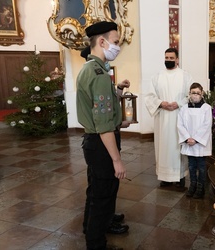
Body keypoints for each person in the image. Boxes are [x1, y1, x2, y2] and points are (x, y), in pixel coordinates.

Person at [76, 21, 130, 250]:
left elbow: (101, 109)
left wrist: (117, 94)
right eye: (115, 42)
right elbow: (103, 124)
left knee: (96, 188)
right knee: (104, 192)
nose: (117, 46)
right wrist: (117, 160)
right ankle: (96, 242)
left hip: (95, 140)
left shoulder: (92, 68)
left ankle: (92, 227)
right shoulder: (98, 73)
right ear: (101, 41)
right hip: (101, 142)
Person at [144, 47, 193, 188]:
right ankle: (165, 177)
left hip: (179, 117)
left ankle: (180, 176)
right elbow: (150, 96)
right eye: (167, 58)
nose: (169, 60)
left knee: (178, 146)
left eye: (172, 58)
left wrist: (178, 103)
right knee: (163, 146)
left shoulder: (185, 76)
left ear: (177, 59)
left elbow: (191, 95)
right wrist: (161, 103)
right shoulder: (157, 76)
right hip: (163, 118)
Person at [177, 82, 212, 198]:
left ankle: (201, 187)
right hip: (189, 142)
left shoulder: (206, 108)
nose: (195, 95)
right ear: (189, 94)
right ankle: (192, 185)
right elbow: (180, 124)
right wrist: (187, 138)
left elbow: (207, 125)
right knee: (191, 165)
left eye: (198, 93)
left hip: (200, 143)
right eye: (193, 93)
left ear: (202, 94)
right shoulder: (184, 108)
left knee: (201, 166)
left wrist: (196, 139)